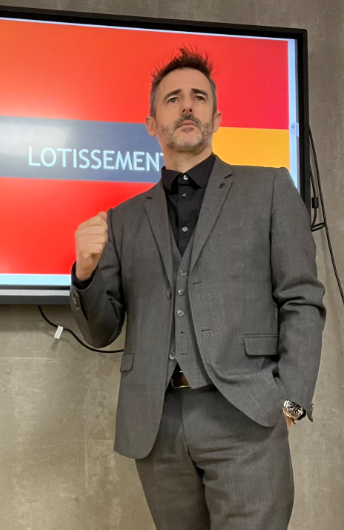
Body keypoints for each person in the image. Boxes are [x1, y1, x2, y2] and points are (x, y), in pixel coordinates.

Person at [69, 48, 326, 530]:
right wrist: (85, 272)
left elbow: (302, 298)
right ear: (151, 123)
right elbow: (102, 330)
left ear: (217, 118)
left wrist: (291, 399)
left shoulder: (269, 189)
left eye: (199, 97)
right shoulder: (123, 219)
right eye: (172, 99)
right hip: (157, 424)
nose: (186, 105)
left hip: (246, 415)